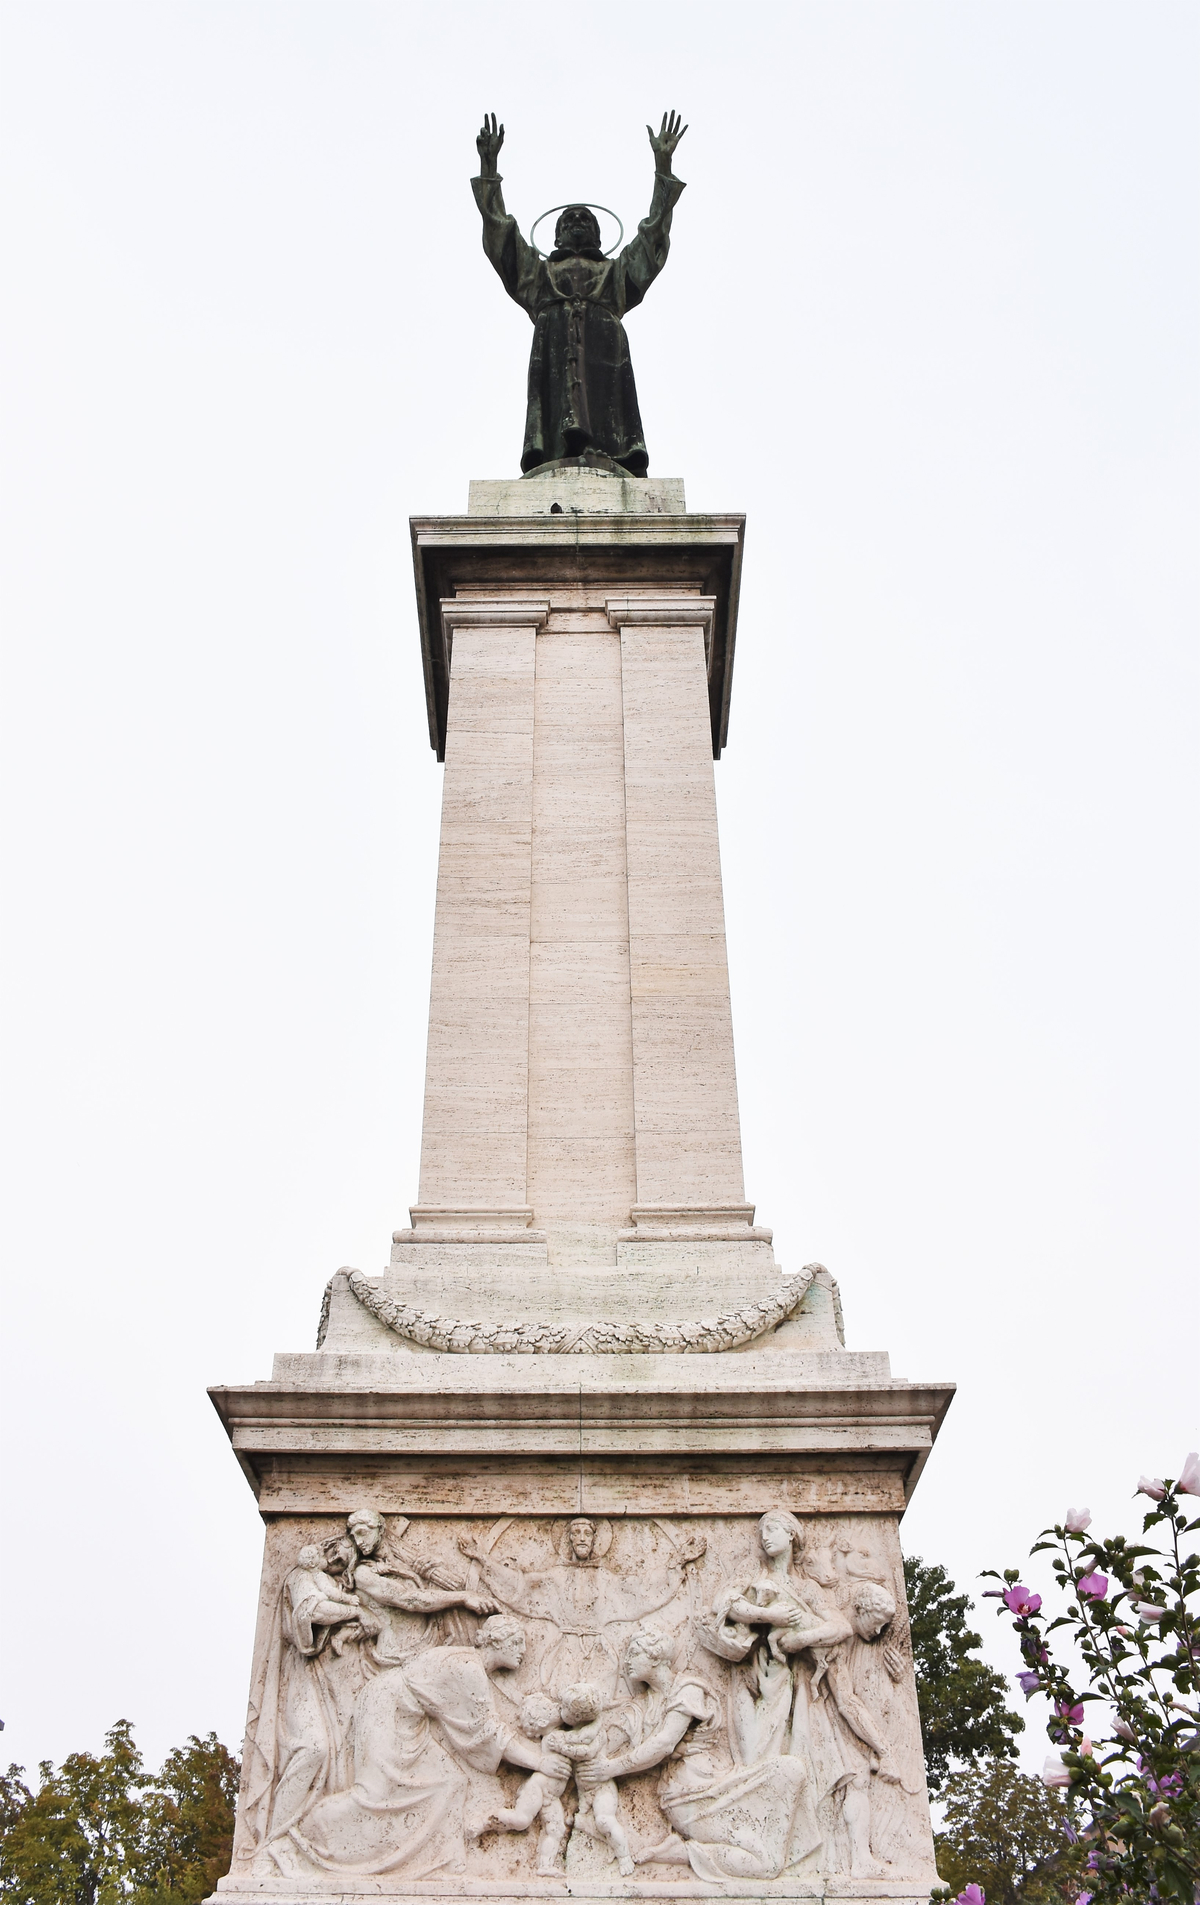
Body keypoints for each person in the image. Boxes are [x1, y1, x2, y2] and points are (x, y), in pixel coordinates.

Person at [472, 111, 687, 476]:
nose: (576, 224)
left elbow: (652, 237)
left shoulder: (614, 273)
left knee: (608, 408)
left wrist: (662, 170)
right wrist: (489, 170)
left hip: (604, 346)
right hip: (553, 341)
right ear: (555, 237)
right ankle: (555, 452)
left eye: (585, 220)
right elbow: (502, 240)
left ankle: (613, 454)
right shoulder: (539, 275)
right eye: (568, 221)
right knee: (554, 408)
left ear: (599, 237)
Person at [282, 1616, 569, 1882]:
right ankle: (301, 1835)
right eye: (517, 1642)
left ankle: (441, 1864)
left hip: (409, 1718)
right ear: (497, 1641)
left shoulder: (470, 1663)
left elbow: (485, 1730)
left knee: (451, 1782)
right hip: (387, 1710)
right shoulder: (468, 1668)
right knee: (374, 1794)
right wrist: (539, 1762)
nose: (522, 1650)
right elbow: (489, 1735)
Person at [577, 1626, 814, 1882]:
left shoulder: (688, 1689)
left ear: (656, 1657)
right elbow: (612, 1741)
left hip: (721, 1783)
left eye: (635, 1653)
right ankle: (681, 1852)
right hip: (685, 1796)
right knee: (767, 1865)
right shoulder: (641, 1707)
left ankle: (683, 1851)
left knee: (791, 1771)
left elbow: (664, 1743)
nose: (627, 1660)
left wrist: (612, 1767)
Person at [459, 1514, 702, 1696]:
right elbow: (520, 1587)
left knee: (600, 1701)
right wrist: (482, 1557)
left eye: (588, 1533)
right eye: (577, 1533)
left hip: (600, 1654)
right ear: (570, 1539)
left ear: (595, 1539)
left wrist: (677, 1561)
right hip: (563, 1652)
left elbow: (640, 1590)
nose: (583, 1538)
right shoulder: (555, 1577)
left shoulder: (607, 1579)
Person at [486, 1681, 632, 1876]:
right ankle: (484, 1821)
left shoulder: (591, 1733)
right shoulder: (556, 1736)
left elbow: (587, 1752)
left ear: (577, 1716)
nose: (558, 1710)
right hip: (544, 1790)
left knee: (598, 1822)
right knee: (524, 1820)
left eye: (564, 1709)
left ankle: (624, 1857)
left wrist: (568, 1747)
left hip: (597, 1787)